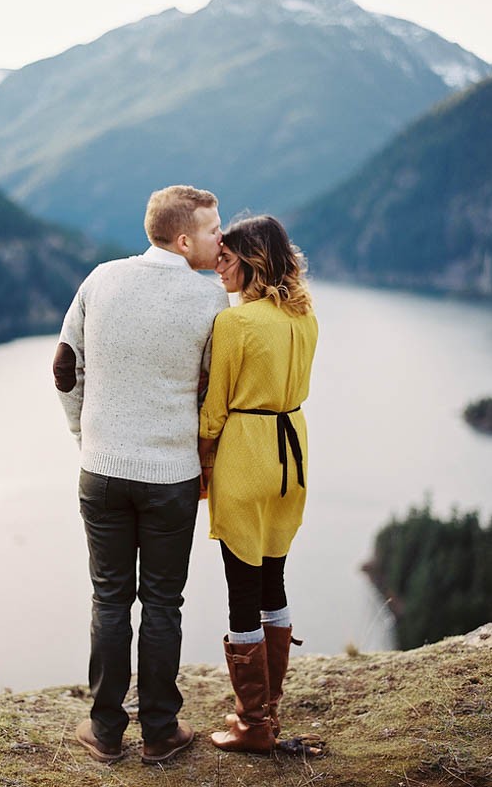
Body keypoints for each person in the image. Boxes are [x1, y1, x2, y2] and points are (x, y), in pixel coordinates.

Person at [53, 185, 228, 764]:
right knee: (162, 603)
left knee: (109, 599)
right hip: (171, 478)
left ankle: (104, 733)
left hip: (100, 471)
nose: (220, 237)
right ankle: (159, 733)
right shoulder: (209, 304)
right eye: (212, 229)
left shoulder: (100, 279)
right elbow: (213, 397)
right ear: (184, 239)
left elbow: (65, 368)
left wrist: (87, 438)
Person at [198, 215, 320, 754]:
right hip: (292, 454)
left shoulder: (236, 324)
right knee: (274, 580)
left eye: (227, 256)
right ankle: (267, 709)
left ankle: (252, 724)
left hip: (247, 455)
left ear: (252, 261)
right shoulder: (304, 317)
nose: (218, 264)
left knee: (241, 591)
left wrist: (199, 464)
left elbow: (213, 413)